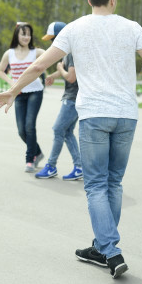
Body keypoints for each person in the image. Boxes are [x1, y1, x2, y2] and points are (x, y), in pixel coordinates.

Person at [0, 0, 142, 279]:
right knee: (114, 182)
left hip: (94, 115)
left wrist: (13, 91)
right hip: (126, 115)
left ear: (89, 0)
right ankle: (102, 246)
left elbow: (39, 66)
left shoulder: (74, 28)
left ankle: (110, 250)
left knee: (95, 185)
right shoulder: (132, 27)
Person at [35, 21, 83, 180]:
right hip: (75, 98)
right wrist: (53, 76)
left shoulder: (72, 52)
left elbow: (70, 76)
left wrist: (59, 70)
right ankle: (79, 166)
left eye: (52, 39)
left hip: (72, 99)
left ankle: (51, 166)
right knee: (67, 131)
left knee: (57, 129)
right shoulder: (71, 51)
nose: (52, 43)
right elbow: (66, 69)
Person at [0, 22, 46, 172]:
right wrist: (13, 83)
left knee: (29, 126)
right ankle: (37, 152)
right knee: (21, 131)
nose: (26, 37)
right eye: (23, 33)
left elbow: (52, 57)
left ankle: (30, 160)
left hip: (35, 91)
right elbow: (0, 71)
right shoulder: (9, 53)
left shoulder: (36, 52)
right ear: (17, 35)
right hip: (18, 94)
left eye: (29, 34)